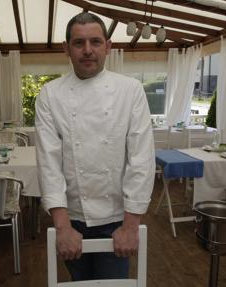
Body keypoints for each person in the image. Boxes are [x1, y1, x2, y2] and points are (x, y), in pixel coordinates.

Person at [35, 12, 155, 281]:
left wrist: (131, 225)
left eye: (95, 42)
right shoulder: (50, 95)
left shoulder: (130, 90)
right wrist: (63, 226)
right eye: (79, 43)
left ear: (108, 46)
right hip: (71, 218)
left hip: (117, 220)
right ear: (66, 48)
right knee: (81, 283)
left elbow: (142, 158)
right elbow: (48, 163)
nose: (87, 50)